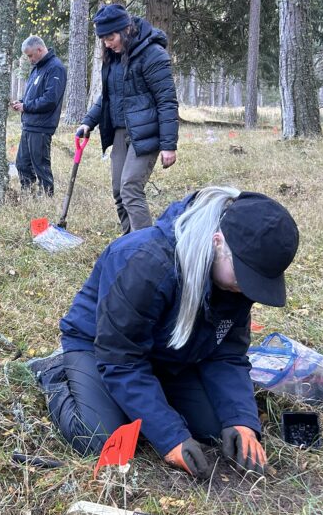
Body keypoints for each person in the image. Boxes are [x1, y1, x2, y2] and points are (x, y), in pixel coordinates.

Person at [28, 186, 299, 478]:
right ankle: (55, 372)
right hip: (99, 346)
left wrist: (242, 419)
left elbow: (227, 353)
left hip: (169, 354)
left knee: (213, 428)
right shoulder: (145, 262)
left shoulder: (236, 283)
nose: (248, 289)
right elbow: (122, 360)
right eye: (245, 276)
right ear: (217, 242)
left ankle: (146, 403)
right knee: (100, 439)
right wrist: (171, 438)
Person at [76, 4, 179, 234]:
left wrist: (169, 145)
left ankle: (146, 249)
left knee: (130, 188)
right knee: (119, 191)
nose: (107, 43)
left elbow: (167, 101)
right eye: (103, 39)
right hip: (122, 132)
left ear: (126, 29)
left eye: (110, 37)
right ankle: (129, 243)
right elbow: (108, 96)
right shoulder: (113, 58)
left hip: (147, 133)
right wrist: (88, 121)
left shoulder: (152, 54)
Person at [10, 36, 67, 196]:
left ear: (40, 49)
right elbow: (33, 94)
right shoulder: (37, 67)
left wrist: (26, 106)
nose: (29, 59)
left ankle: (47, 199)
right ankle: (28, 195)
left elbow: (50, 100)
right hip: (29, 124)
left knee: (41, 166)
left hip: (42, 126)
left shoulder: (55, 68)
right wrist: (21, 102)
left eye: (30, 55)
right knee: (22, 164)